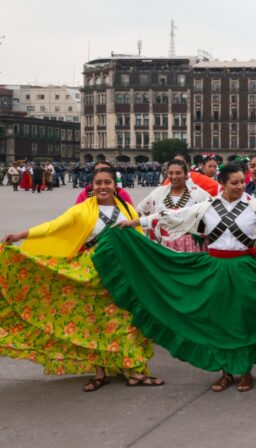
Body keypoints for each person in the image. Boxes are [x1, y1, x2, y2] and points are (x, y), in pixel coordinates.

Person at [96, 162, 256, 393]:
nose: (240, 186)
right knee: (219, 321)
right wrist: (136, 222)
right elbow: (173, 216)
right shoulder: (207, 206)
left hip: (244, 270)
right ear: (222, 183)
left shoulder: (254, 205)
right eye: (234, 183)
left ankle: (245, 371)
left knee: (242, 322)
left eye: (242, 182)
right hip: (215, 270)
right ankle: (225, 373)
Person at [0, 167, 159, 390]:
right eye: (98, 183)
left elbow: (138, 240)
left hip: (122, 274)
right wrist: (21, 235)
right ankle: (99, 373)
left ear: (115, 185)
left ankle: (133, 372)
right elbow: (53, 226)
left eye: (107, 182)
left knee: (126, 322)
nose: (103, 187)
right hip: (92, 274)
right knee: (93, 323)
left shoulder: (128, 209)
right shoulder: (82, 209)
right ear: (92, 186)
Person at [135, 159, 211, 252]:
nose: (174, 176)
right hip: (163, 244)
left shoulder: (198, 194)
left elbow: (210, 215)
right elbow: (140, 210)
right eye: (170, 173)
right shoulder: (158, 193)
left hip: (190, 243)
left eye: (178, 173)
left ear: (186, 175)